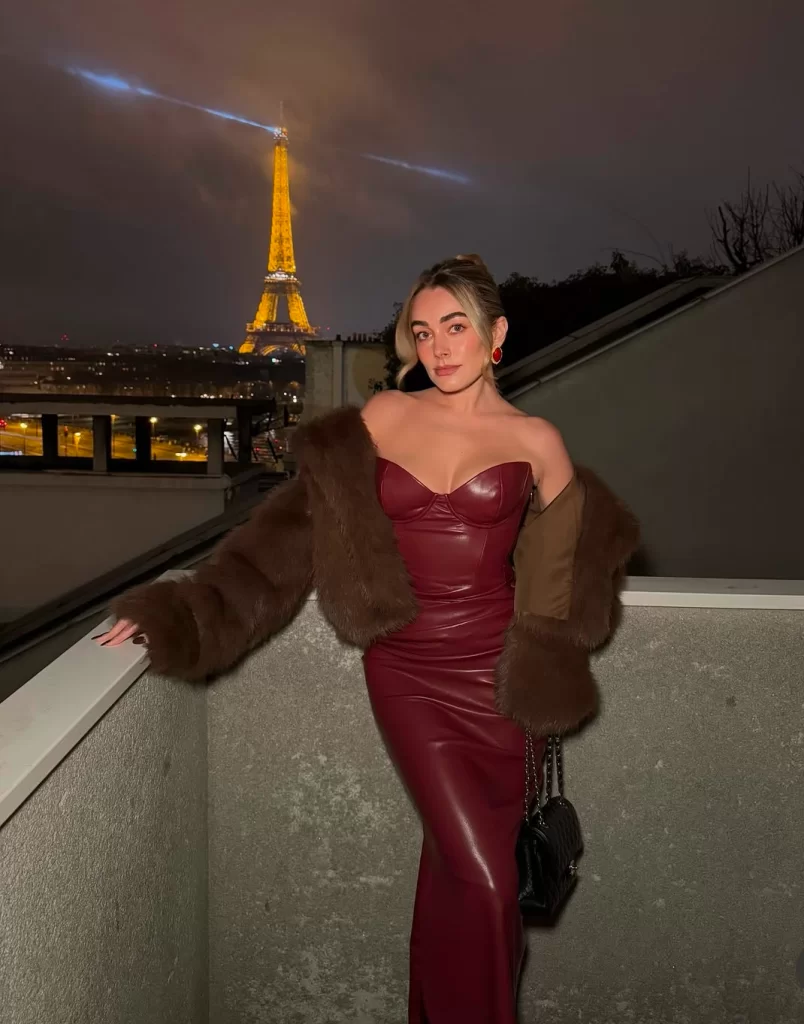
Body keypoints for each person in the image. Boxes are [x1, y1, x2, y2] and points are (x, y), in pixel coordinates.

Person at [96, 254, 640, 1023]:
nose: (440, 346)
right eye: (423, 331)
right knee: (486, 880)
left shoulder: (537, 441)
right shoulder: (382, 419)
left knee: (461, 879)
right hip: (411, 675)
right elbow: (284, 543)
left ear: (496, 335)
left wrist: (551, 662)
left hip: (500, 684)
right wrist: (185, 613)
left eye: (456, 326)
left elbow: (563, 581)